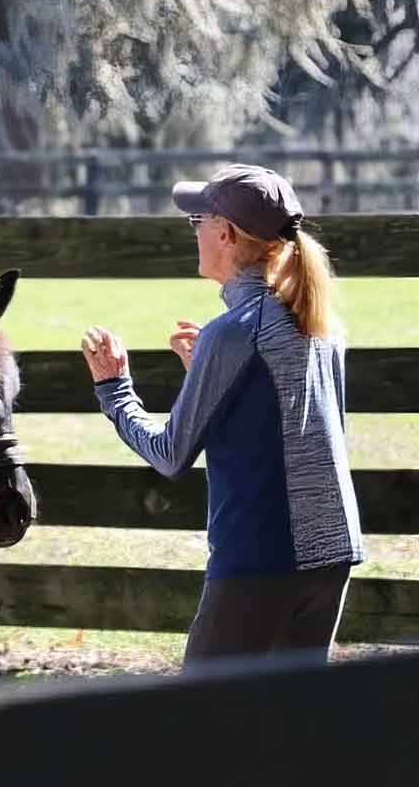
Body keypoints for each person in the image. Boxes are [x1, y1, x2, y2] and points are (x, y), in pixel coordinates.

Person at [80, 164, 363, 666]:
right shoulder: (320, 322)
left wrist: (115, 390)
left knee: (204, 724)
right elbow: (290, 418)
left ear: (225, 234)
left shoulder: (233, 332)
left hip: (260, 557)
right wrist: (209, 374)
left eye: (197, 221)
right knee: (292, 724)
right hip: (332, 552)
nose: (194, 232)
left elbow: (169, 455)